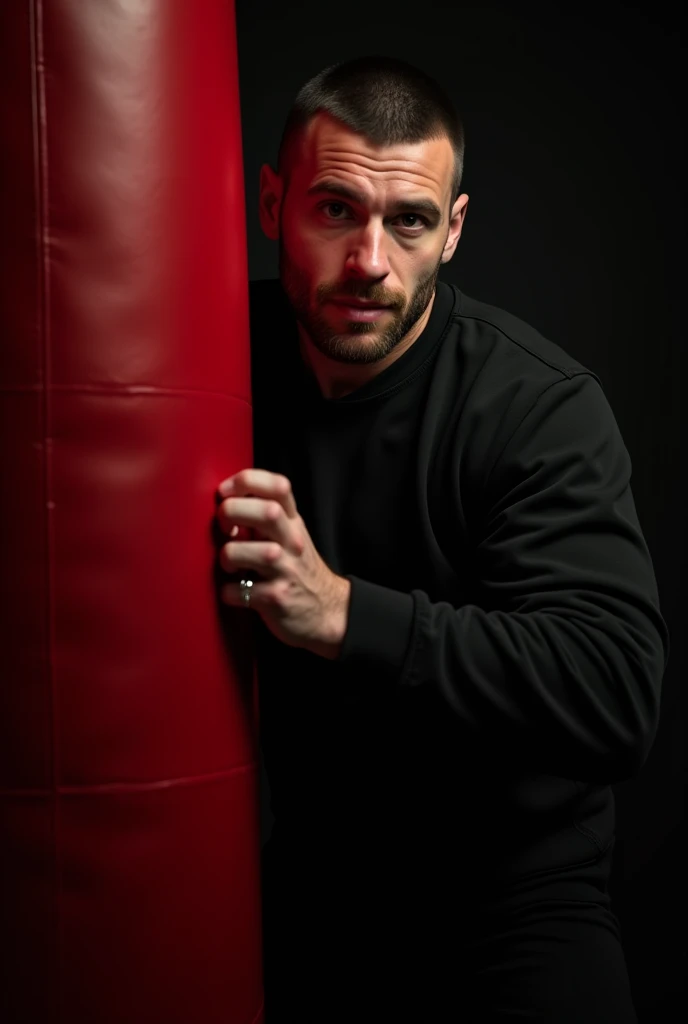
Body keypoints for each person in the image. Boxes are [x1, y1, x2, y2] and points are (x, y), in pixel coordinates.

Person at [215, 55, 669, 1022]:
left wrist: (341, 613)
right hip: (310, 896)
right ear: (271, 203)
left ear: (452, 230)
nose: (369, 260)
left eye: (408, 221)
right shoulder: (205, 365)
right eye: (335, 210)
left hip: (515, 906)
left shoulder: (537, 408)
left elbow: (616, 690)